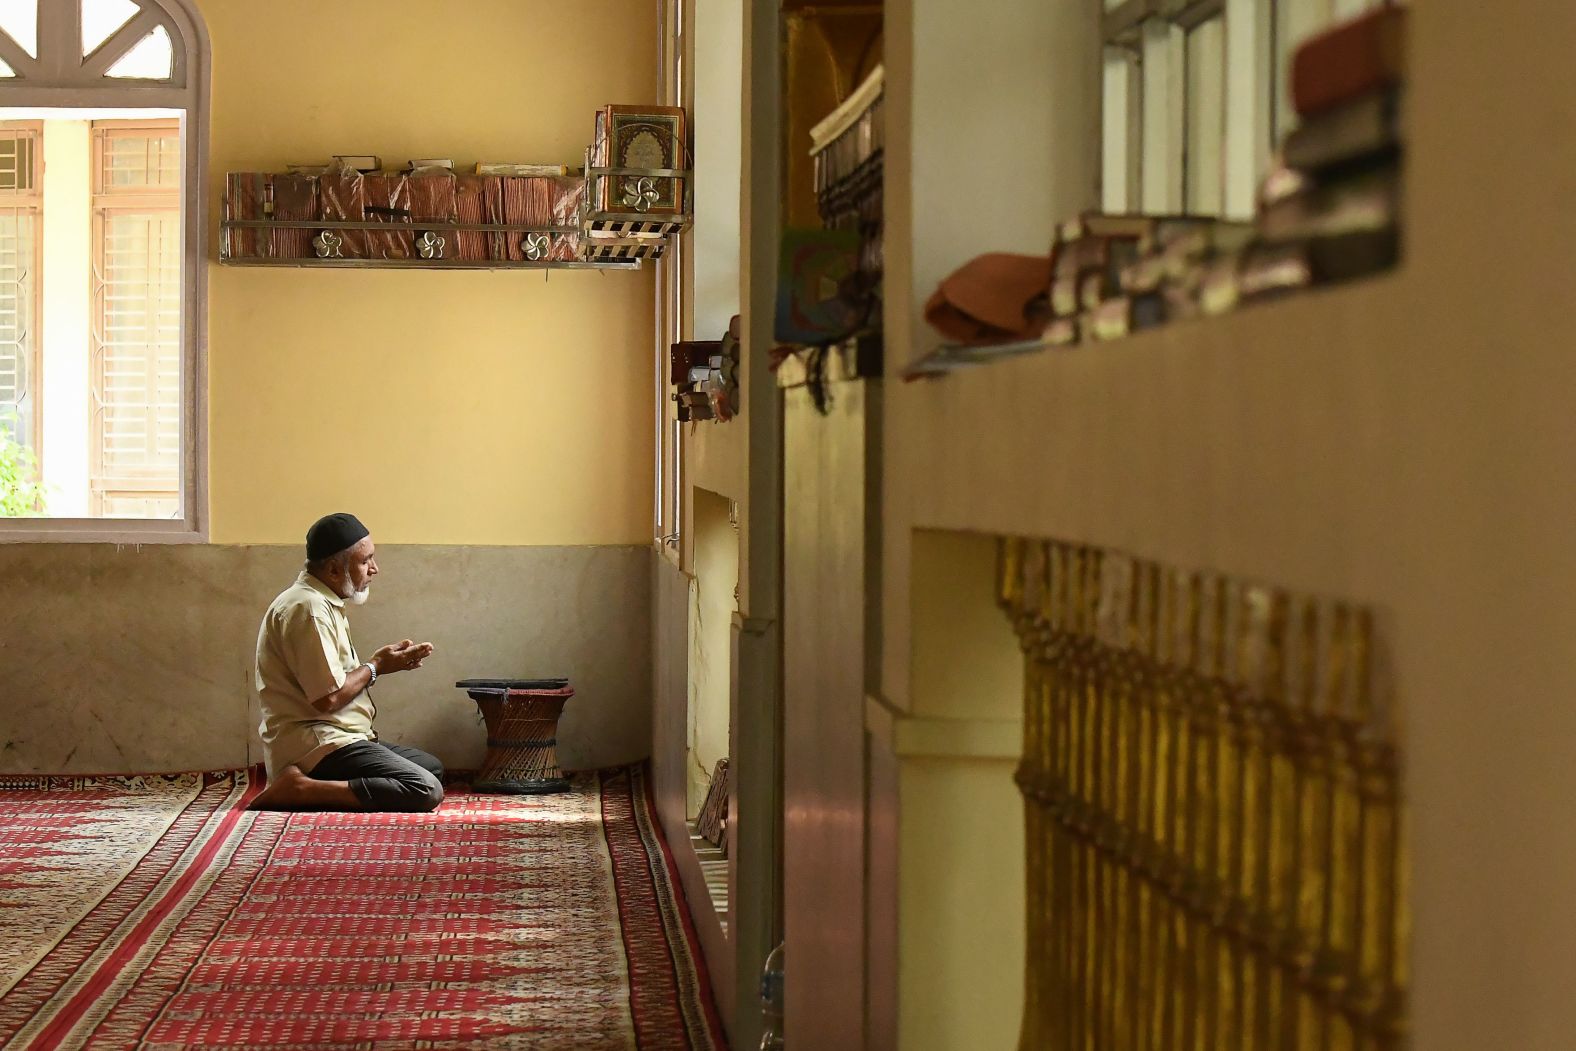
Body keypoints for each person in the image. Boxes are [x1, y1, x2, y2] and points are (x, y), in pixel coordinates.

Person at [250, 512, 443, 812]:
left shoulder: (322, 601)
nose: (375, 569)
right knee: (425, 788)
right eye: (366, 561)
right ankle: (300, 787)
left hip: (344, 737)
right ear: (334, 570)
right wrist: (376, 666)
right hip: (317, 744)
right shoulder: (308, 609)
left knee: (430, 767)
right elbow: (328, 698)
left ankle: (318, 784)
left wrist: (380, 665)